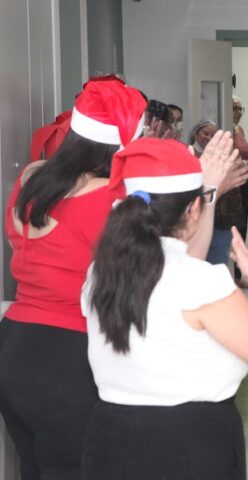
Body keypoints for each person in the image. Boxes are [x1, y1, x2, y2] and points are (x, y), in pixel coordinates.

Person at [80, 138, 248, 478]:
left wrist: (208, 189)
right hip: (189, 441)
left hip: (110, 435)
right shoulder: (198, 281)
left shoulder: (101, 271)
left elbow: (181, 259)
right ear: (193, 209)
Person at [0, 79, 146, 480]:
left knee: (34, 468)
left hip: (15, 344)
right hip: (69, 355)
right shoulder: (111, 199)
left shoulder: (31, 178)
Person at [189, 120, 248, 265]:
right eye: (205, 133)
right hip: (196, 222)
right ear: (195, 134)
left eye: (213, 135)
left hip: (221, 222)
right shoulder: (187, 154)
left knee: (217, 265)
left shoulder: (224, 156)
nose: (209, 138)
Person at [232, 95, 248, 289]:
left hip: (244, 181)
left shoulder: (239, 129)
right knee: (233, 228)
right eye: (234, 108)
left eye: (240, 109)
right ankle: (231, 274)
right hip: (233, 184)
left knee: (243, 226)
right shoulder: (224, 130)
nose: (238, 112)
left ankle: (238, 274)